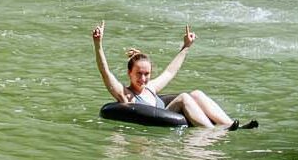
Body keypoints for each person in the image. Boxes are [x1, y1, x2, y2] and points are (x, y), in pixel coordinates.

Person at [92, 23, 254, 129]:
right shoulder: (126, 94)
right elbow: (105, 72)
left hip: (169, 113)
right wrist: (98, 44)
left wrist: (186, 46)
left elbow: (170, 71)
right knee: (184, 97)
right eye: (138, 74)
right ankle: (212, 132)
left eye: (146, 74)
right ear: (129, 73)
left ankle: (231, 125)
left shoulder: (151, 88)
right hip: (158, 121)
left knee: (196, 93)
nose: (143, 78)